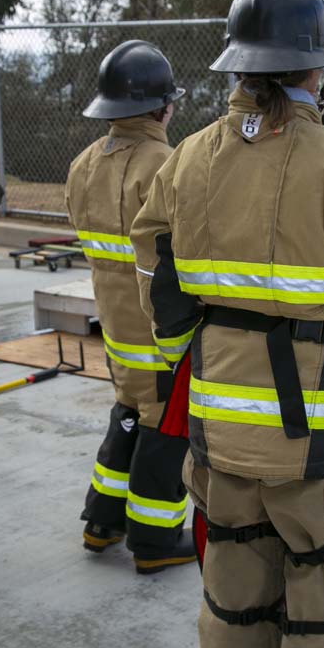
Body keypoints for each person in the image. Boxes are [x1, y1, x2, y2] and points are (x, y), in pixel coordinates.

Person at [130, 0, 324, 648]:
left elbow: (156, 276)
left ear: (239, 66)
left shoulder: (186, 161)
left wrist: (186, 353)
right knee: (322, 621)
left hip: (220, 426)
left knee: (233, 606)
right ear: (317, 70)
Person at [66, 39, 196, 575]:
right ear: (162, 107)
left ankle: (102, 522)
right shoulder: (168, 164)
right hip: (160, 334)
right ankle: (155, 540)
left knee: (128, 411)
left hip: (116, 332)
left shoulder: (82, 165)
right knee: (166, 426)